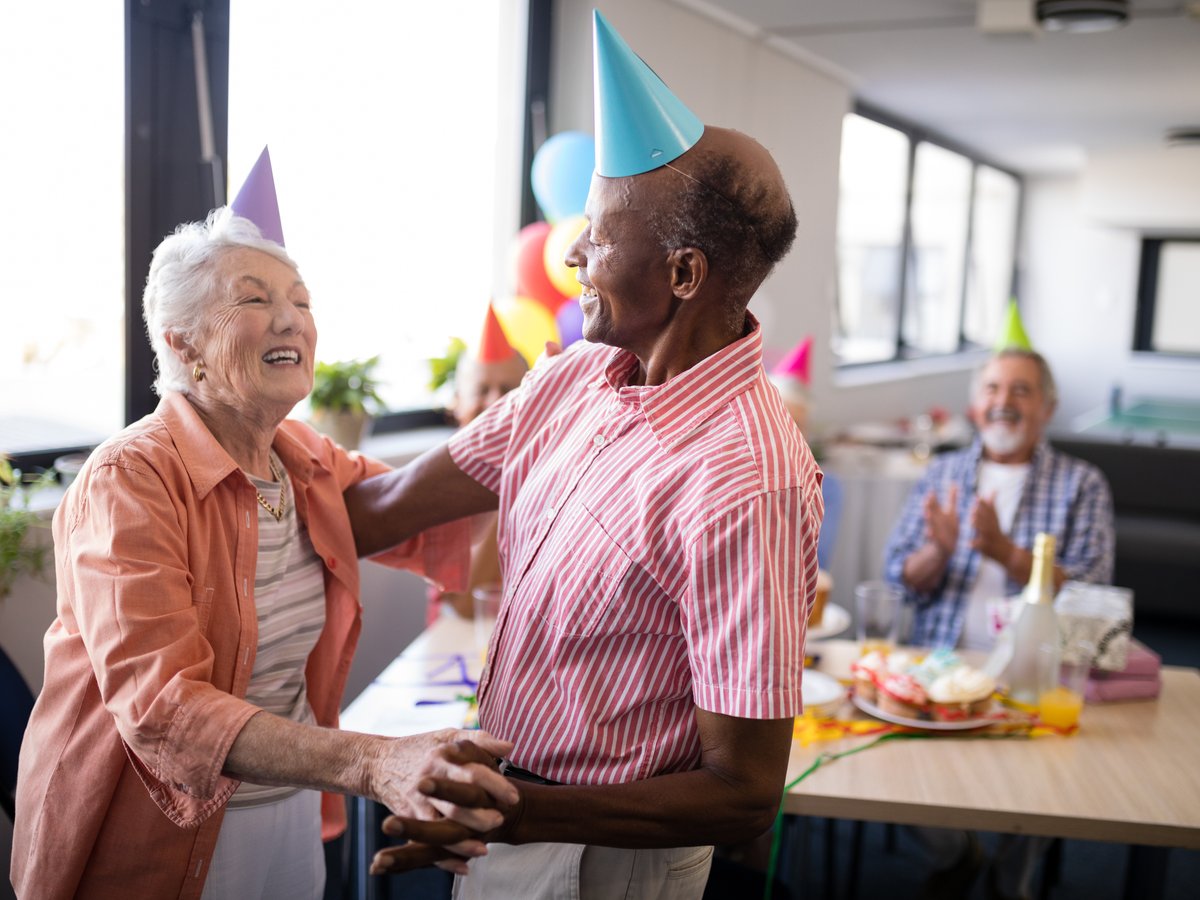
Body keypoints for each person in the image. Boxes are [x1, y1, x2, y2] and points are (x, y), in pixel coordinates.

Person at [343, 11, 823, 898]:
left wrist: (515, 814)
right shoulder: (574, 380)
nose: (571, 255)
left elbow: (744, 791)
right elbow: (378, 509)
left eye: (598, 236)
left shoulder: (746, 475)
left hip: (607, 858)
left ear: (684, 274)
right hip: (507, 821)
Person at [11, 180, 516, 898]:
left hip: (287, 809)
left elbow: (439, 524)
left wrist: (544, 428)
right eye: (255, 300)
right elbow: (165, 711)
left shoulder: (303, 458)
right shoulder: (129, 479)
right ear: (182, 344)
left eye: (303, 303)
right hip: (157, 822)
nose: (291, 321)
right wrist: (375, 763)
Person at [882, 345, 1115, 900]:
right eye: (992, 389)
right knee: (895, 768)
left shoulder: (1082, 484)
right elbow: (898, 576)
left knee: (1041, 788)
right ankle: (960, 854)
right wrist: (936, 553)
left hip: (1033, 676)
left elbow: (1093, 595)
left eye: (1021, 390)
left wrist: (1007, 553)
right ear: (973, 404)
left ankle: (1012, 884)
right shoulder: (942, 473)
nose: (1003, 402)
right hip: (940, 664)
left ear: (1048, 408)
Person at [428, 305, 529, 621]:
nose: (497, 402)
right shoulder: (437, 481)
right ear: (456, 402)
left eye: (511, 390)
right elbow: (466, 606)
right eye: (482, 390)